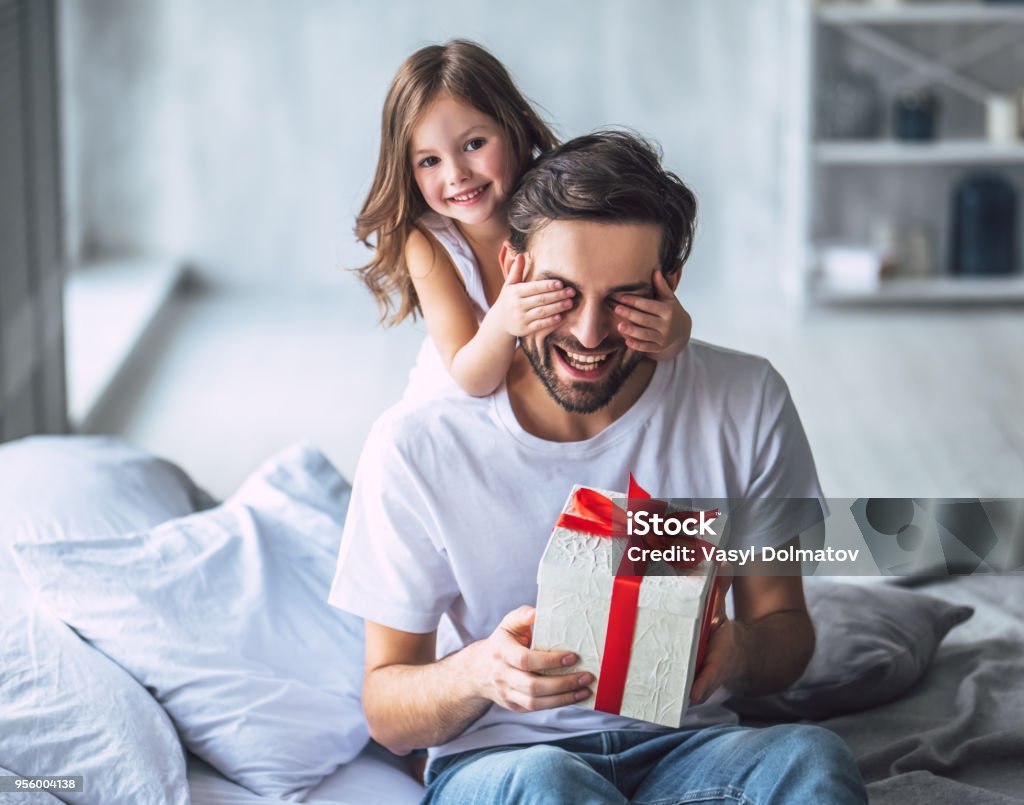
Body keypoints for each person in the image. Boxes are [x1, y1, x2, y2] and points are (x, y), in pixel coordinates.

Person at [331, 131, 867, 803]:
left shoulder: (746, 398)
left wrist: (740, 653)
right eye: (562, 292)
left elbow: (786, 629)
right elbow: (386, 704)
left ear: (667, 286)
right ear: (513, 268)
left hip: (688, 747)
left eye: (623, 297)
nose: (588, 334)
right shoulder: (417, 443)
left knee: (812, 758)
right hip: (508, 761)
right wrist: (476, 673)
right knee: (548, 782)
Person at [355, 40, 691, 399]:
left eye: (473, 145)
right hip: (465, 397)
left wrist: (675, 330)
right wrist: (503, 321)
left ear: (516, 126)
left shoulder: (559, 206)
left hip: (551, 393)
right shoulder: (430, 243)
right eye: (429, 161)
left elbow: (652, 343)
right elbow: (472, 380)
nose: (456, 174)